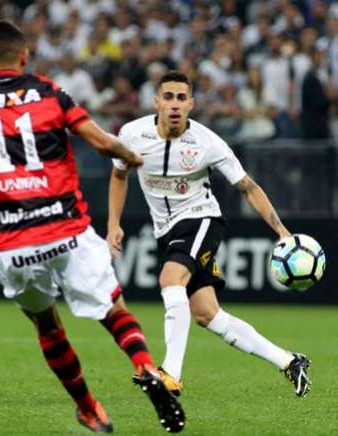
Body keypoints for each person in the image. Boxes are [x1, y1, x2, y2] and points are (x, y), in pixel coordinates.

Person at [0, 20, 185, 433]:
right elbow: (102, 142)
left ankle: (90, 408)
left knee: (47, 325)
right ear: (24, 56)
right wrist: (131, 155)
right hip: (67, 229)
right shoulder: (50, 92)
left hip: (14, 244)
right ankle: (144, 366)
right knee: (113, 310)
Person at [106, 70, 311, 398]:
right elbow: (119, 176)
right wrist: (113, 224)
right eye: (168, 97)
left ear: (192, 104)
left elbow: (248, 186)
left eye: (181, 98)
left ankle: (171, 374)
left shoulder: (208, 142)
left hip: (201, 219)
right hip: (165, 231)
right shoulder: (132, 134)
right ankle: (289, 361)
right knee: (206, 313)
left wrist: (282, 231)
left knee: (170, 279)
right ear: (157, 101)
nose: (174, 104)